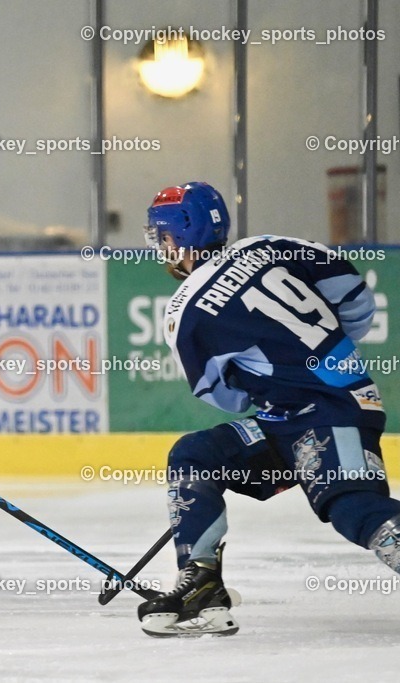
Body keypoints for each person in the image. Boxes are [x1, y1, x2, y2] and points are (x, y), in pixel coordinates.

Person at [136, 181, 400, 637]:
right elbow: (356, 298)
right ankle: (201, 582)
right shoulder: (270, 246)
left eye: (164, 237)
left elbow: (223, 395)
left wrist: (280, 374)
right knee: (196, 455)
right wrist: (324, 356)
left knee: (355, 508)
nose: (164, 248)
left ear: (181, 236)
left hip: (324, 414)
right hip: (306, 413)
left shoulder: (186, 309)